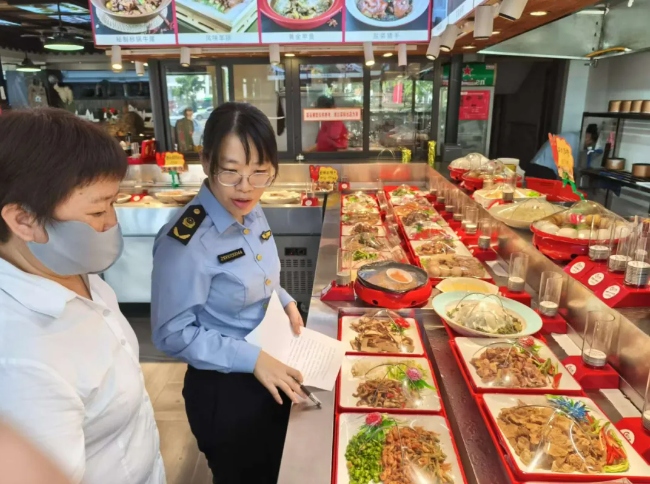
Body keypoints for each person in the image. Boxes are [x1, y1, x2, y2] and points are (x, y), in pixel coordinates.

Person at [0, 109, 165, 484]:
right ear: (23, 220)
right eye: (96, 209)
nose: (111, 223)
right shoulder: (23, 359)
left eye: (112, 204)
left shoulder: (75, 274)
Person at [151, 102, 305, 484]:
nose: (246, 187)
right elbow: (170, 334)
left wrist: (284, 301)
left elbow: (257, 273)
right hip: (225, 388)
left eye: (260, 172)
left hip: (268, 362)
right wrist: (251, 359)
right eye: (231, 172)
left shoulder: (250, 208)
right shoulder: (186, 241)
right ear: (205, 162)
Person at [530, 124, 599, 177]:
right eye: (589, 143)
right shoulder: (575, 140)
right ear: (588, 136)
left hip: (536, 166)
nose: (587, 146)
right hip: (543, 170)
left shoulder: (571, 136)